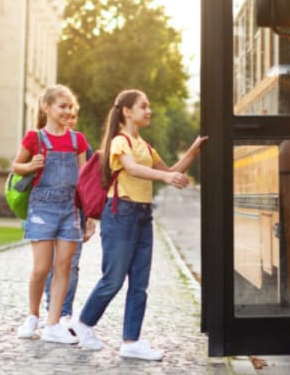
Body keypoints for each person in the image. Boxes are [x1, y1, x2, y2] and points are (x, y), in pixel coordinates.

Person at [71, 89, 207, 360]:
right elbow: (132, 169)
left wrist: (193, 150)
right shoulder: (120, 143)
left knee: (140, 283)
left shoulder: (145, 146)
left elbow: (170, 172)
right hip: (121, 213)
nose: (149, 111)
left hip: (143, 216)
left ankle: (131, 341)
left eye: (149, 106)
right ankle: (83, 323)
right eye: (143, 106)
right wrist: (165, 179)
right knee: (113, 279)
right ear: (127, 111)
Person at [12, 84, 92, 343]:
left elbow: (82, 180)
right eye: (62, 106)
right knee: (41, 268)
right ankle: (32, 316)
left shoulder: (77, 140)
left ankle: (53, 324)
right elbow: (15, 167)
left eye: (71, 107)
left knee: (63, 267)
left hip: (69, 209)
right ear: (47, 107)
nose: (68, 111)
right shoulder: (34, 138)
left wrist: (87, 215)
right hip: (42, 208)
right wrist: (29, 165)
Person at [42, 106, 95, 329]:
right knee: (48, 265)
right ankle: (50, 311)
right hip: (47, 211)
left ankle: (64, 314)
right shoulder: (41, 141)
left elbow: (89, 185)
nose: (70, 120)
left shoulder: (84, 149)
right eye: (67, 115)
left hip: (75, 213)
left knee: (70, 265)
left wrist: (90, 218)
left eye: (74, 117)